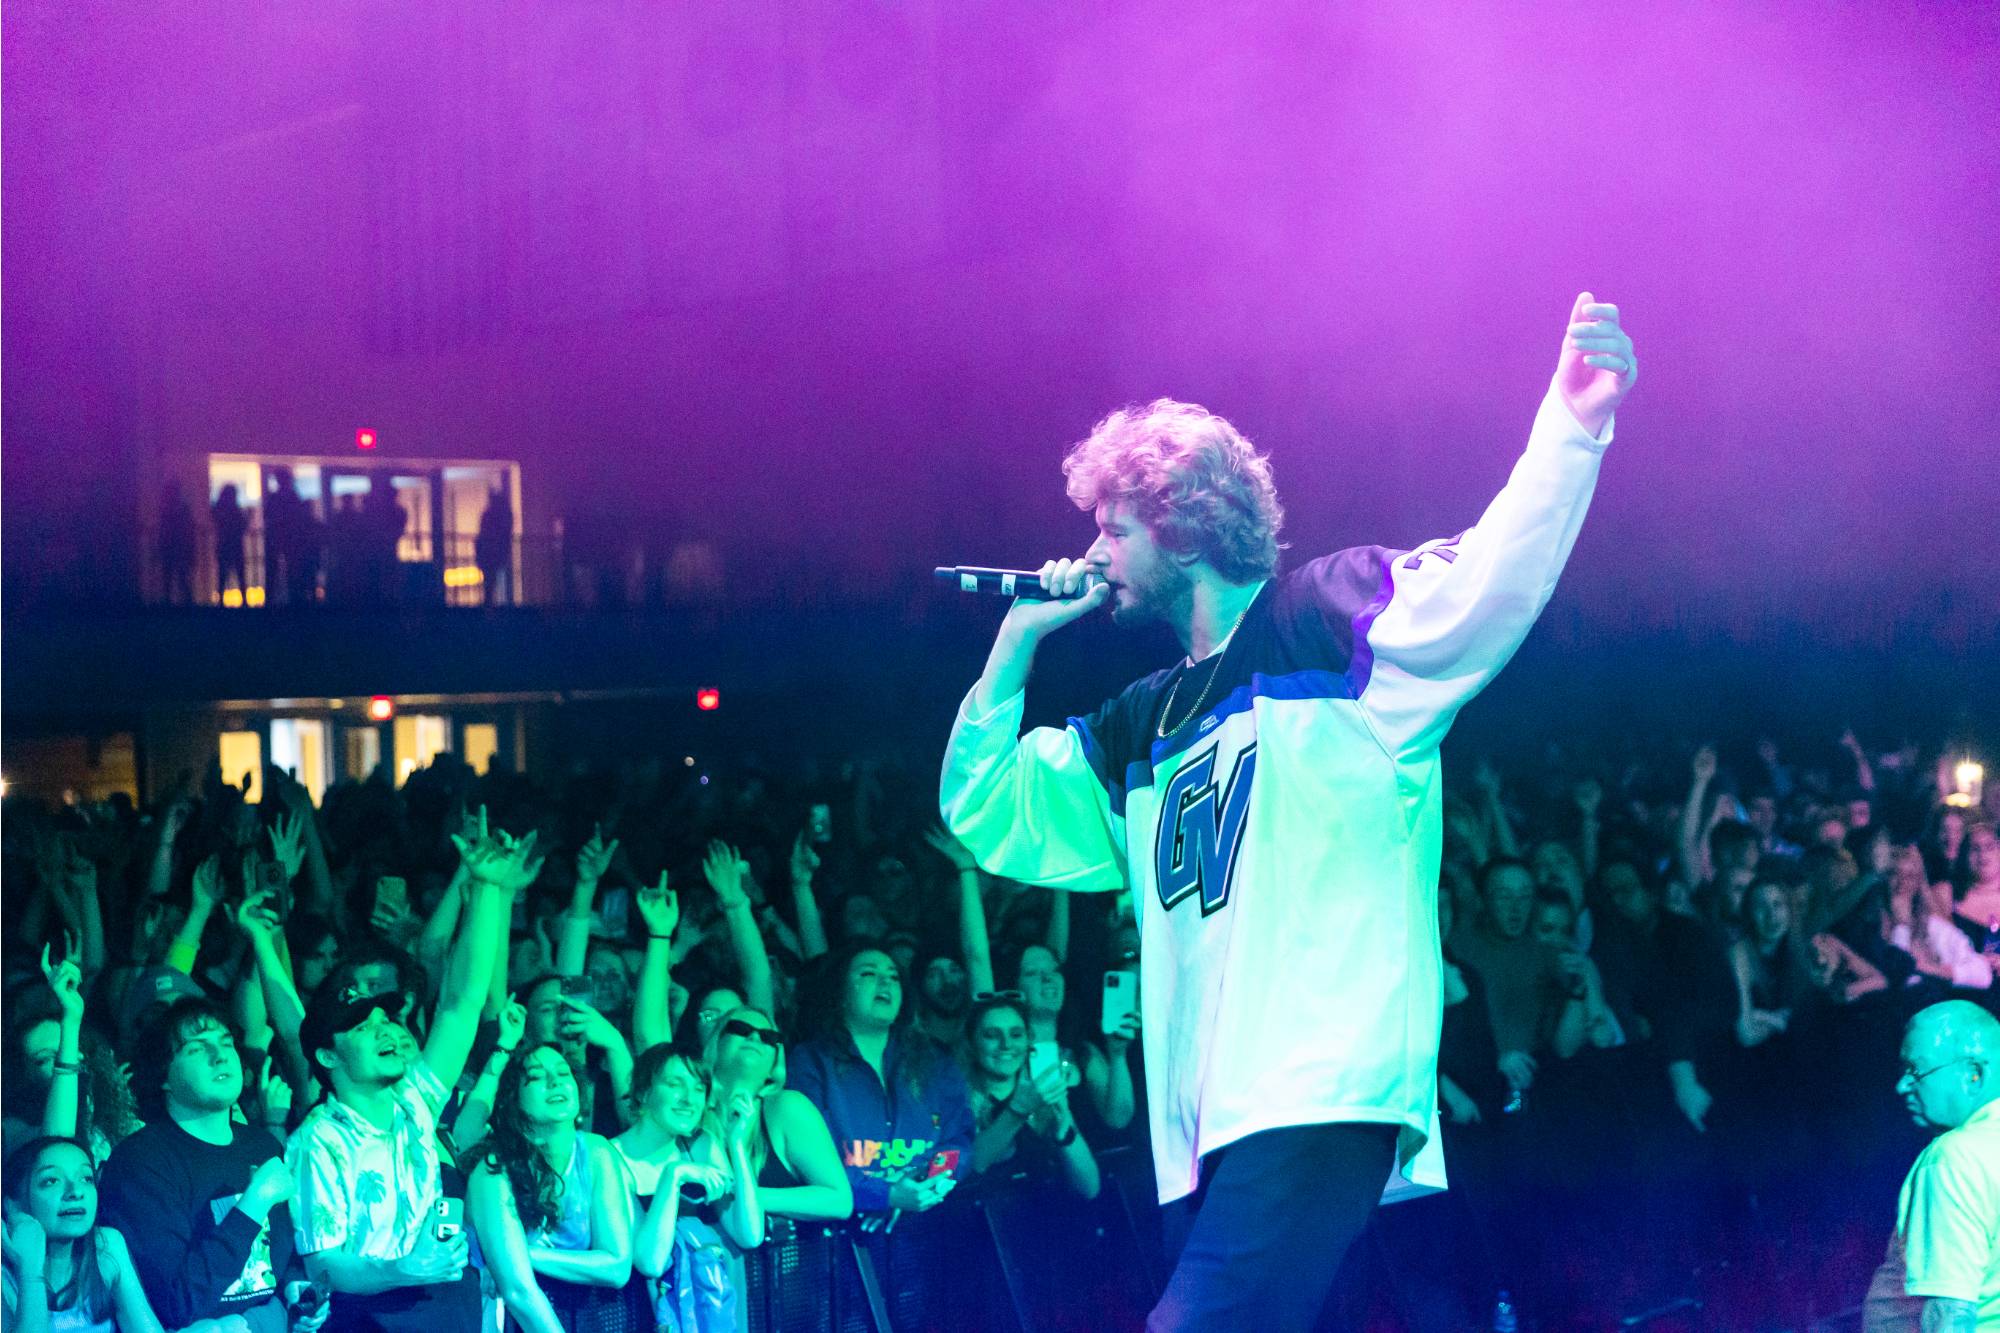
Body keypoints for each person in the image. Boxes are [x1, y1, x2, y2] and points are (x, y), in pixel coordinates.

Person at [940, 292, 1636, 1329]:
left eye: (1111, 529)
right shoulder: (1137, 722)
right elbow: (983, 809)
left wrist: (1570, 426)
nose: (1093, 557)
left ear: (1179, 523)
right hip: (1206, 1122)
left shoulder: (1322, 618)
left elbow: (1490, 579)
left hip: (1316, 1088)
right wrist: (1016, 643)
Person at [285, 819, 524, 1332]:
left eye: (386, 1018)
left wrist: (485, 889)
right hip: (376, 1317)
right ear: (327, 1056)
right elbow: (323, 1263)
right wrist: (402, 1269)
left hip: (447, 1305)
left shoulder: (415, 1101)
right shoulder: (317, 1139)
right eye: (362, 1025)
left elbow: (460, 1005)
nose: (386, 1029)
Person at [99, 998, 322, 1332]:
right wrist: (254, 1201)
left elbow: (281, 1255)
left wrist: (294, 1288)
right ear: (164, 1075)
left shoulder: (261, 1145)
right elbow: (177, 1304)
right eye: (196, 1049)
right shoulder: (142, 1161)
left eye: (226, 1043)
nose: (220, 1056)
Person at [466, 1044, 634, 1333]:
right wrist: (510, 1262)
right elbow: (518, 1291)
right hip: (504, 1317)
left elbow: (617, 1266)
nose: (555, 1082)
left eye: (563, 1072)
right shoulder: (493, 1171)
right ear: (513, 1098)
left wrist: (520, 1254)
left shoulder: (597, 1152)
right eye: (535, 1076)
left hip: (582, 1313)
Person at [1864, 1001, 2000, 1332]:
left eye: (1915, 1070)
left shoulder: (1953, 1158)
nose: (1902, 1086)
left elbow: (1950, 1314)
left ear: (1973, 1074)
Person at [2, 1136, 169, 1333]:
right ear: (13, 1204)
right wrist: (30, 1273)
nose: (76, 1192)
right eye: (51, 1180)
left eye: (86, 1178)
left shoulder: (106, 1246)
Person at [212, 485, 248, 603]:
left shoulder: (219, 509)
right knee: (240, 573)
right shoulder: (235, 510)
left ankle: (221, 601)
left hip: (224, 545)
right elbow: (242, 526)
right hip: (235, 545)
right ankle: (244, 600)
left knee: (222, 574)